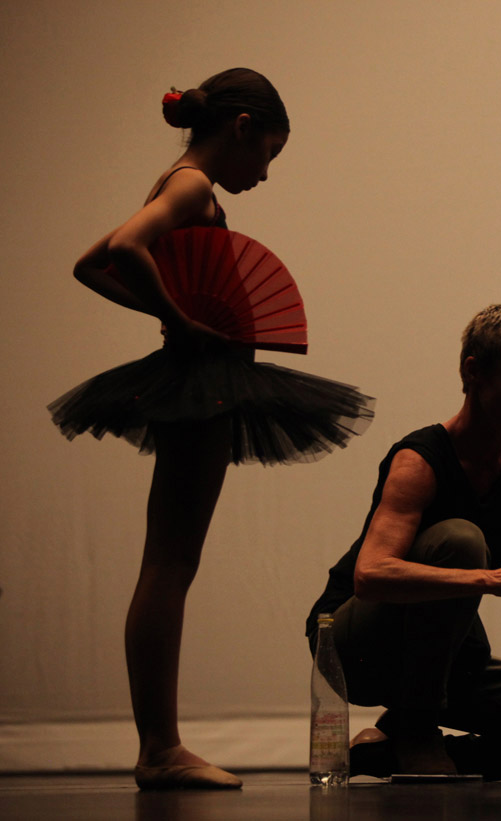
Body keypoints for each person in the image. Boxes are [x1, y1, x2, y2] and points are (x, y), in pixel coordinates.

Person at [48, 68, 374, 789]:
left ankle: (159, 746)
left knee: (167, 562)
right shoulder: (194, 187)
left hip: (198, 379)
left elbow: (89, 264)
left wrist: (173, 312)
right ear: (242, 128)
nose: (266, 174)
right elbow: (125, 249)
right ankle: (159, 749)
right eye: (269, 155)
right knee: (169, 564)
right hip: (202, 385)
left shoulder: (179, 181)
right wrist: (179, 317)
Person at [306, 304, 501, 781]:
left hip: (449, 658)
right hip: (356, 647)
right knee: (460, 538)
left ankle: (388, 750)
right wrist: (489, 578)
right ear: (473, 371)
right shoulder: (420, 460)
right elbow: (370, 576)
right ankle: (416, 731)